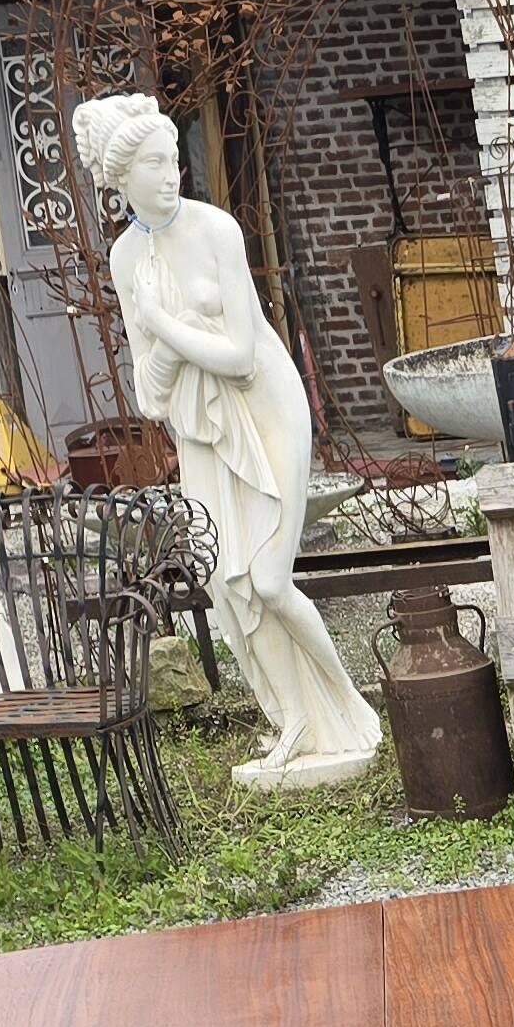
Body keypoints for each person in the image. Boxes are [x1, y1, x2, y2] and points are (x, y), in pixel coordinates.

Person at [70, 92, 379, 791]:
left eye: (172, 159)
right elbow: (149, 394)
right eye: (153, 164)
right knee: (225, 583)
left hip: (265, 407)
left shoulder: (217, 230)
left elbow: (241, 353)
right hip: (199, 425)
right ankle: (293, 721)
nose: (169, 173)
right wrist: (165, 340)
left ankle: (351, 713)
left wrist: (164, 327)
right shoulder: (125, 259)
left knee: (269, 578)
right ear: (124, 180)